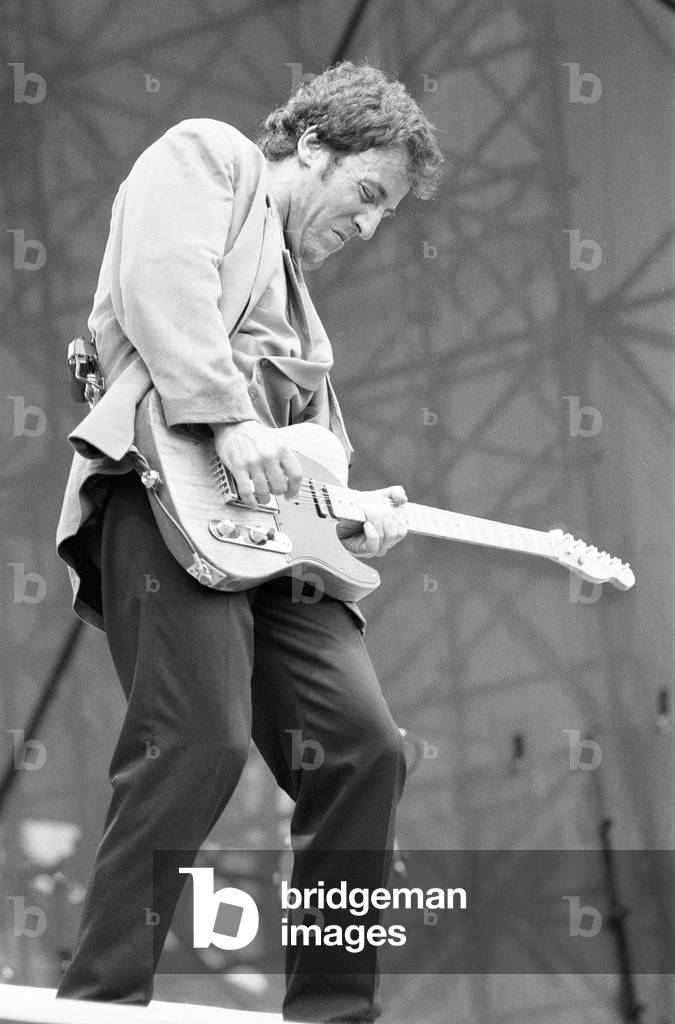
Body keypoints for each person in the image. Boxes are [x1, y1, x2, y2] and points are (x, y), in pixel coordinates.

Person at [55, 61, 443, 1022]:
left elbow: (312, 478)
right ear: (312, 143)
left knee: (364, 748)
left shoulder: (304, 313)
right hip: (167, 499)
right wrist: (233, 426)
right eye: (364, 194)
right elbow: (163, 282)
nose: (365, 226)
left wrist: (359, 514)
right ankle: (99, 1000)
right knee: (199, 742)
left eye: (382, 216)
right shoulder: (210, 157)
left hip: (272, 549)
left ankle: (333, 1011)